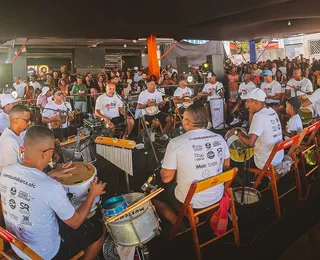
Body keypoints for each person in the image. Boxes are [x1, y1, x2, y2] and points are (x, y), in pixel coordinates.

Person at [0, 126, 106, 259]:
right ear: (45, 154)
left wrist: (50, 174)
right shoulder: (51, 187)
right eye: (52, 150)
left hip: (19, 246)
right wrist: (93, 194)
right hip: (46, 254)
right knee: (99, 228)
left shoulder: (6, 171)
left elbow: (28, 185)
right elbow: (76, 222)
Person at [152, 104, 230, 225]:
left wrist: (163, 171)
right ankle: (191, 216)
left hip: (190, 201)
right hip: (216, 195)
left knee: (156, 194)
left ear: (187, 122)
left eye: (183, 118)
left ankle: (183, 224)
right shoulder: (219, 138)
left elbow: (166, 178)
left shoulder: (176, 142)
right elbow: (226, 165)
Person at [230, 88, 284, 170]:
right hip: (278, 156)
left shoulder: (259, 116)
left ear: (256, 102)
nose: (246, 104)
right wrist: (251, 112)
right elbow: (253, 127)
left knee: (242, 158)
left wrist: (237, 132)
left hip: (265, 161)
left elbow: (250, 143)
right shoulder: (272, 111)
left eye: (248, 101)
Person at [0, 105, 30, 172]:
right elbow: (13, 172)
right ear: (16, 120)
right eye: (26, 120)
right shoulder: (9, 141)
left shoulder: (20, 134)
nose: (29, 122)